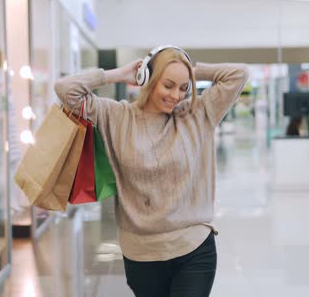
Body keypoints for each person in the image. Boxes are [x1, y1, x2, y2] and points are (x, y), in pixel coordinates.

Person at [54, 46, 248, 297]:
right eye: (168, 85)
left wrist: (190, 71)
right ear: (148, 79)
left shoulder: (196, 114)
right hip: (141, 253)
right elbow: (64, 89)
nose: (176, 95)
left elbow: (239, 74)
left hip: (194, 246)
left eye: (183, 88)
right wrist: (117, 74)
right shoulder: (116, 116)